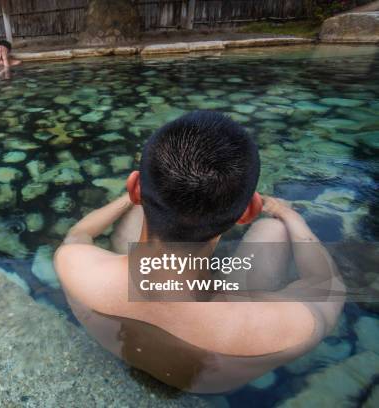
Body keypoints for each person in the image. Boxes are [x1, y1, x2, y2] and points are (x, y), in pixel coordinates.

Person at [54, 111, 345, 393]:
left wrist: (138, 196)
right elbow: (329, 286)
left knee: (138, 217)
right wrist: (291, 217)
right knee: (275, 230)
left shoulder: (73, 265)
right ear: (248, 212)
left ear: (135, 186)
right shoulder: (288, 331)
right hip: (220, 338)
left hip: (121, 295)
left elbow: (79, 233)